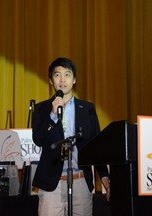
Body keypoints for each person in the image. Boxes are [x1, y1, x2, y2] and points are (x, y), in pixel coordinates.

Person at [32, 57, 110, 216]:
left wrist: (104, 177)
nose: (62, 79)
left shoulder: (87, 109)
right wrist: (53, 116)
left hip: (80, 182)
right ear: (50, 81)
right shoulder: (41, 109)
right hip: (51, 185)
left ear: (74, 80)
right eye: (57, 75)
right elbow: (38, 140)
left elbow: (96, 145)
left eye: (67, 74)